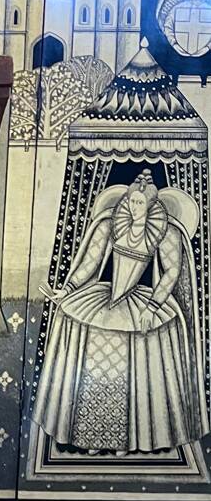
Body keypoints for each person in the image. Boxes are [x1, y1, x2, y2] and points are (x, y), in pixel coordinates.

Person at [33, 171, 207, 453]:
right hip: (105, 297)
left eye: (140, 203)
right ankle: (93, 437)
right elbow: (90, 262)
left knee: (132, 372)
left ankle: (129, 441)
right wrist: (69, 289)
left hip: (143, 301)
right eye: (131, 201)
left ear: (151, 205)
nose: (134, 207)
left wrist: (154, 306)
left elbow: (171, 272)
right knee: (96, 370)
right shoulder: (112, 223)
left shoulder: (166, 231)